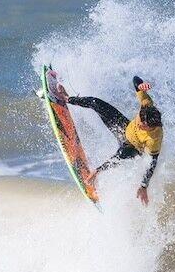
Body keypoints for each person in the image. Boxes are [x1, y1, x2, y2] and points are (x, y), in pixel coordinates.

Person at [51, 72, 163, 206]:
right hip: (124, 128)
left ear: (151, 127)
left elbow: (152, 163)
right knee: (96, 103)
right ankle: (66, 98)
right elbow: (135, 80)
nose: (139, 124)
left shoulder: (154, 139)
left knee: (121, 155)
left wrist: (144, 186)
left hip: (132, 147)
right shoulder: (147, 104)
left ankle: (96, 173)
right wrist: (141, 84)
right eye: (140, 119)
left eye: (143, 126)